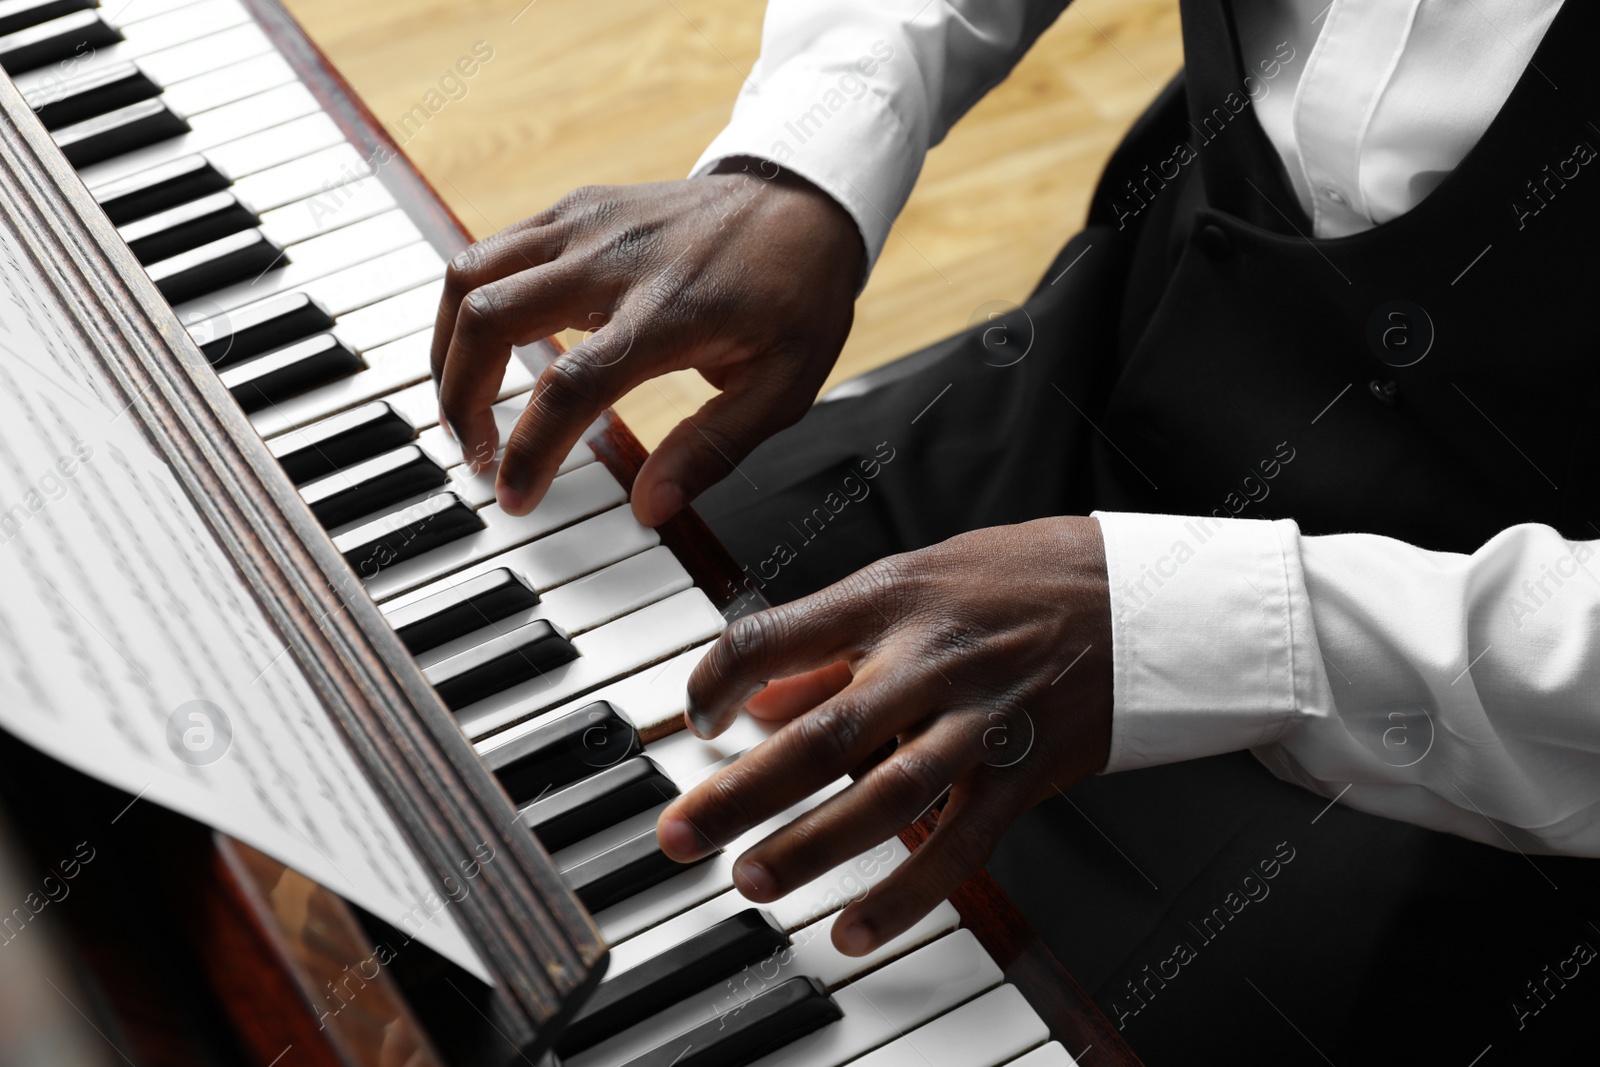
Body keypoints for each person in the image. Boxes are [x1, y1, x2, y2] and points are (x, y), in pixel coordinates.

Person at [431, 0, 1600, 1060]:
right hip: (1126, 363)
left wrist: (1218, 631)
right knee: (572, 657)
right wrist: (802, 161)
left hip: (1496, 704)